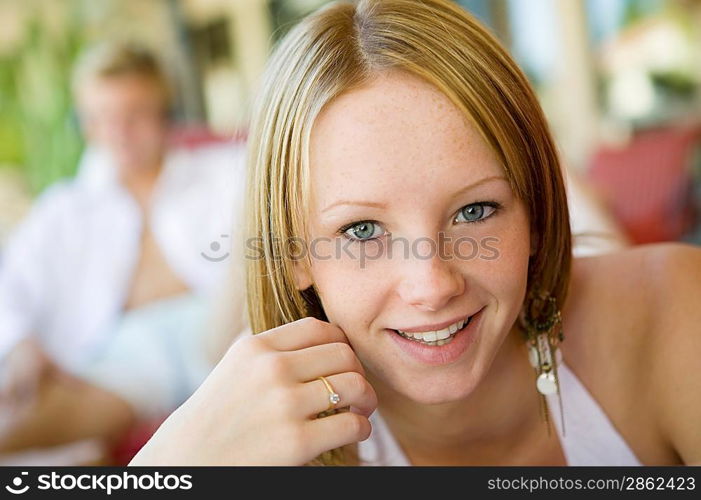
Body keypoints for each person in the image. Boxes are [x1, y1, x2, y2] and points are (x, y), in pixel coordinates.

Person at [130, 0, 701, 466]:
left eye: (475, 211)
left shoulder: (670, 313)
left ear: (535, 213)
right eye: (361, 229)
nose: (431, 286)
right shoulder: (260, 439)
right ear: (295, 253)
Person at [0, 41, 245, 457]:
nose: (119, 131)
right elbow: (11, 287)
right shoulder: (64, 208)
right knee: (18, 419)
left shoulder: (227, 170)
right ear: (86, 123)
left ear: (166, 110)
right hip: (130, 353)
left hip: (220, 329)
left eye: (136, 114)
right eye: (102, 118)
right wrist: (22, 345)